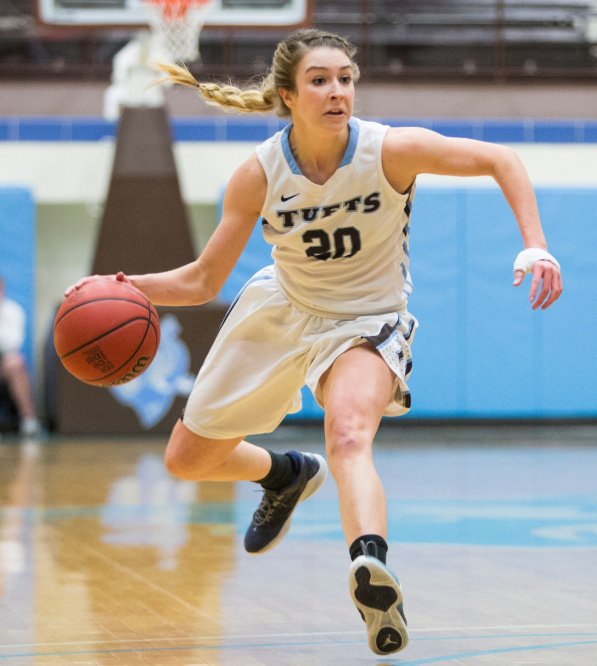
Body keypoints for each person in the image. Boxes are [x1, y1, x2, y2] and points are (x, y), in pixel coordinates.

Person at [67, 29, 563, 657]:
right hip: (283, 309)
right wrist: (120, 285)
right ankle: (285, 474)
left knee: (350, 432)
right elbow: (200, 281)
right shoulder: (258, 175)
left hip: (366, 319)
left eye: (347, 78)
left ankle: (370, 567)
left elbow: (501, 160)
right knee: (186, 461)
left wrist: (535, 242)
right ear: (288, 96)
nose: (338, 92)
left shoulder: (390, 151)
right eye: (321, 80)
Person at [0, 276, 40, 439]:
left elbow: (13, 342)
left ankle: (29, 420)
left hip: (5, 364)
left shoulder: (13, 311)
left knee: (15, 363)